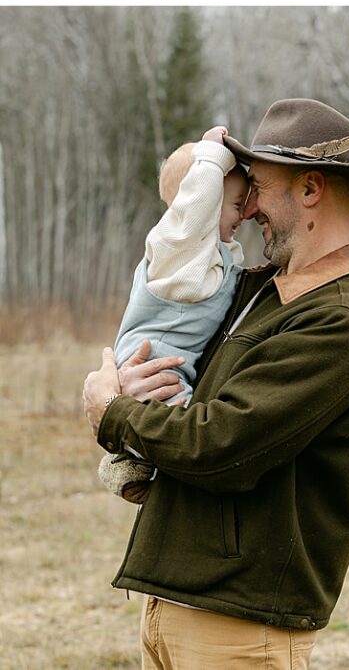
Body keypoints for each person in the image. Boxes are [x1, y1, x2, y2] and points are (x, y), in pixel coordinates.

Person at [83, 99, 349, 670]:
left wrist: (113, 413)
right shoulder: (260, 291)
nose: (248, 207)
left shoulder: (339, 321)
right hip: (182, 604)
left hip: (239, 626)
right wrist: (133, 383)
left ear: (309, 190)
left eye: (258, 187)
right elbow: (181, 368)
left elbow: (222, 444)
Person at [95, 131, 250, 503]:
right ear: (204, 199)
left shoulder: (212, 253)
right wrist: (212, 155)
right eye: (235, 204)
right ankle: (127, 462)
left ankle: (128, 462)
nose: (244, 214)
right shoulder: (177, 250)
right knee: (179, 423)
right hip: (153, 360)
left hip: (176, 360)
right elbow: (194, 211)